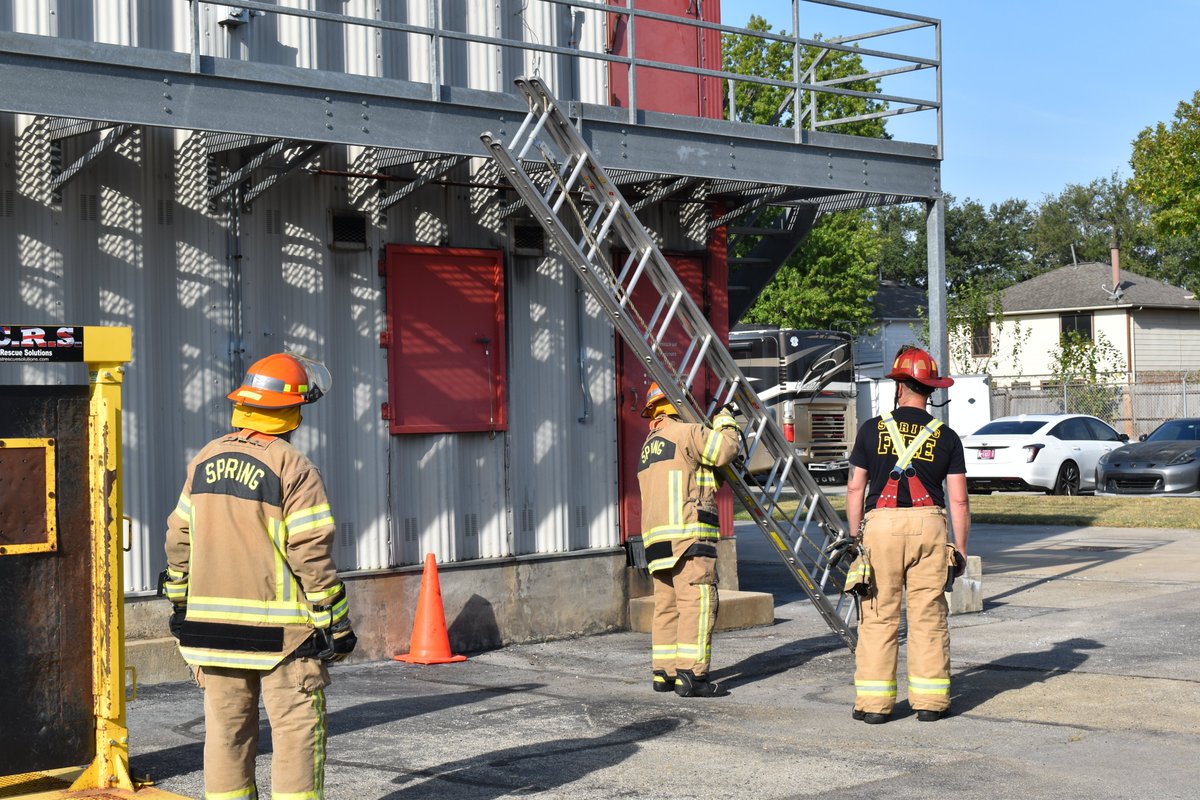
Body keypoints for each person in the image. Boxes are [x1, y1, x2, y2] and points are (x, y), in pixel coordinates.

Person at [162, 352, 357, 799]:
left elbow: (178, 538)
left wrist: (178, 600)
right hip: (282, 639)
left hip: (211, 633)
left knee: (226, 736)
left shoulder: (205, 460)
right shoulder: (293, 467)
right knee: (296, 734)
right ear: (292, 411)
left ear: (244, 404)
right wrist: (335, 620)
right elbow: (310, 552)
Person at [845, 345, 969, 724]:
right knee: (928, 616)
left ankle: (874, 706)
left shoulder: (871, 430)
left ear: (899, 386)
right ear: (931, 390)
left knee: (878, 615)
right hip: (929, 527)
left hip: (880, 528)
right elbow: (959, 500)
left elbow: (855, 489)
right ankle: (930, 704)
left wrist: (855, 541)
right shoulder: (947, 437)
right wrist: (959, 551)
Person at [636, 381, 740, 697]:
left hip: (657, 541)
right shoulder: (687, 433)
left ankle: (664, 673)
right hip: (689, 534)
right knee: (698, 601)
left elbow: (700, 472)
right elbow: (725, 450)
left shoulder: (649, 446)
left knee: (666, 606)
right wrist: (726, 421)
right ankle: (692, 676)